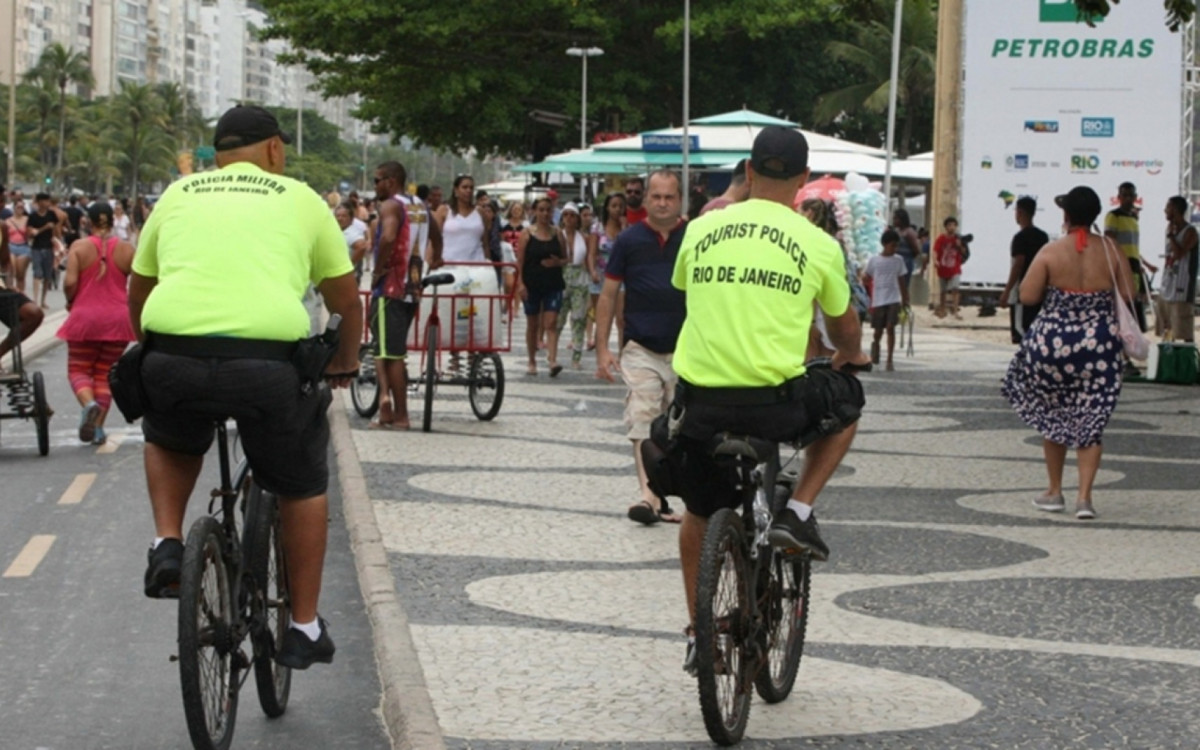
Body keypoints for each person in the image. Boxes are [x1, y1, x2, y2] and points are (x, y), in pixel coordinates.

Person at [129, 105, 361, 670]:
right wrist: (345, 363)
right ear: (276, 150)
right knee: (302, 482)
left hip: (174, 356)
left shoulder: (179, 194)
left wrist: (153, 347)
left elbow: (140, 287)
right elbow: (345, 300)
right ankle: (303, 627)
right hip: (266, 368)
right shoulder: (302, 198)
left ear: (217, 152)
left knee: (169, 432)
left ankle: (167, 542)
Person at [665, 126, 868, 672]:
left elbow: (684, 286)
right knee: (847, 399)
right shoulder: (817, 243)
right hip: (776, 403)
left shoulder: (701, 229)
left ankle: (698, 632)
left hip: (701, 402)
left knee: (698, 513)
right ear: (803, 182)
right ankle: (798, 511)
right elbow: (844, 328)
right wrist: (849, 355)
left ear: (749, 172)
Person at [1002, 186, 1133, 521]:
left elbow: (1029, 296)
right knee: (1091, 420)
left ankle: (1054, 491)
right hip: (1099, 345)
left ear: (1066, 215)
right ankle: (1085, 499)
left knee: (1054, 414)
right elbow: (1130, 293)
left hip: (1053, 344)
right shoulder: (1110, 250)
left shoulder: (1051, 250)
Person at [595, 170, 687, 525]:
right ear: (646, 199)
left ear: (679, 200)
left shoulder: (693, 237)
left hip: (687, 349)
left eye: (669, 197)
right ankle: (648, 496)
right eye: (656, 196)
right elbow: (608, 294)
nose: (662, 203)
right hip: (641, 347)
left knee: (679, 426)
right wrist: (603, 349)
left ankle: (669, 498)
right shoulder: (629, 241)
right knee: (643, 417)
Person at [56, 202, 136, 445]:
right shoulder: (126, 250)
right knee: (104, 373)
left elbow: (70, 283)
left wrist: (71, 300)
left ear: (88, 221)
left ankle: (88, 404)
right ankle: (99, 428)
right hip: (118, 320)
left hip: (85, 319)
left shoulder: (79, 248)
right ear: (113, 221)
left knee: (79, 369)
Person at [368, 161, 417, 430]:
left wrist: (377, 270)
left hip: (391, 288)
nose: (375, 186)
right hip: (411, 289)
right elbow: (434, 234)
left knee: (392, 354)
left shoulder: (390, 206)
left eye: (377, 180)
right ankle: (387, 408)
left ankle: (400, 415)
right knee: (386, 349)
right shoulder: (417, 204)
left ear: (391, 180)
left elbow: (387, 237)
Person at [515, 197, 566, 375]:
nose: (545, 214)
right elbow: (520, 261)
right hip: (532, 282)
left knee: (551, 322)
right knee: (533, 323)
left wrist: (557, 262)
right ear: (535, 211)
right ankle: (531, 360)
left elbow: (566, 258)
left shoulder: (558, 233)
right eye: (542, 210)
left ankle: (552, 360)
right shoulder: (527, 234)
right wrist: (520, 283)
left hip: (553, 283)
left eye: (548, 210)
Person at [1001, 196, 1051, 343]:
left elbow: (1018, 264)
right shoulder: (1042, 237)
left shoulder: (1020, 238)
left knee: (1020, 330)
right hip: (1038, 289)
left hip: (1021, 291)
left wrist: (1007, 290)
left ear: (1020, 212)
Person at [548, 203, 591, 372]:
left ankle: (577, 356)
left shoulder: (584, 237)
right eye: (565, 215)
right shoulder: (558, 236)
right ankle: (552, 356)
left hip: (579, 279)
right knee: (558, 319)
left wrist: (591, 276)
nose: (569, 219)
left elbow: (588, 260)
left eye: (572, 215)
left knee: (579, 319)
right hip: (562, 279)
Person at [864, 229, 910, 371]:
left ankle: (890, 358)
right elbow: (866, 278)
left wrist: (905, 299)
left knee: (891, 328)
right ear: (884, 244)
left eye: (896, 246)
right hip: (878, 299)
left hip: (893, 299)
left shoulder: (898, 261)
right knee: (878, 330)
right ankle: (875, 347)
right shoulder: (874, 261)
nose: (894, 249)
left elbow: (902, 281)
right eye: (892, 245)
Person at [1104, 182, 1146, 332]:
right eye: (1124, 195)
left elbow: (1134, 247)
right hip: (1119, 268)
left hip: (1133, 267)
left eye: (1131, 195)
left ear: (1135, 197)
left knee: (1131, 308)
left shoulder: (1134, 219)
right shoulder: (1113, 216)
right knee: (1119, 308)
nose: (1128, 198)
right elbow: (1110, 242)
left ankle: (1128, 348)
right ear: (1119, 197)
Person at [587, 193, 626, 350]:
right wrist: (592, 271)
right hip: (601, 275)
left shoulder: (627, 229)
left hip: (621, 276)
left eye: (620, 206)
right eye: (614, 206)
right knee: (603, 319)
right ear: (607, 208)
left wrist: (623, 228)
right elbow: (591, 253)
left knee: (621, 319)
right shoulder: (597, 228)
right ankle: (602, 353)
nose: (617, 209)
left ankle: (622, 355)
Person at [1157, 195, 1198, 342]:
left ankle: (1186, 361)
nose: (1165, 210)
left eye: (1168, 207)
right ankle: (1168, 360)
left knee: (1182, 331)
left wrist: (1172, 236)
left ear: (1175, 209)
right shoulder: (1170, 228)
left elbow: (1180, 254)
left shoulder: (1190, 232)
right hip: (1168, 284)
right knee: (1166, 330)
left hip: (1182, 288)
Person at [436, 175, 488, 263]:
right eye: (464, 187)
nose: (468, 190)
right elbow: (435, 240)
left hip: (477, 265)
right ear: (456, 190)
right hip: (449, 263)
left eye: (471, 188)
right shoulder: (444, 210)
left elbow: (485, 243)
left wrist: (488, 262)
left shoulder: (480, 212)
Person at [26, 193, 58, 309]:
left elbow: (55, 229)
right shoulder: (33, 216)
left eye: (48, 200)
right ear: (39, 202)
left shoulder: (52, 214)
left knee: (47, 275)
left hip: (49, 247)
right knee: (37, 273)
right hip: (37, 247)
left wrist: (58, 243)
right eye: (44, 200)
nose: (47, 203)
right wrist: (44, 227)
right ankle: (35, 300)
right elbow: (30, 232)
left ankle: (43, 300)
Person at [933, 216, 965, 319]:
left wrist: (959, 245)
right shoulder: (941, 238)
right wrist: (935, 260)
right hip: (943, 268)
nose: (952, 227)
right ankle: (943, 309)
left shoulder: (958, 238)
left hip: (955, 267)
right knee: (943, 290)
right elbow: (935, 250)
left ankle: (955, 310)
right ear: (946, 227)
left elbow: (964, 252)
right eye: (949, 225)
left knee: (955, 289)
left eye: (953, 225)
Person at [335, 203, 370, 286]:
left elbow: (362, 247)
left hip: (345, 277)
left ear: (351, 219)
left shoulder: (350, 232)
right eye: (338, 216)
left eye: (344, 216)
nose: (340, 218)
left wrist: (349, 266)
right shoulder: (338, 231)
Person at [5, 199, 32, 293]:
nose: (20, 209)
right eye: (18, 207)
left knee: (20, 274)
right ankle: (10, 291)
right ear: (14, 208)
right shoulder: (8, 221)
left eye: (22, 207)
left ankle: (21, 294)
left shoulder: (27, 220)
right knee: (11, 271)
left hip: (23, 247)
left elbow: (31, 233)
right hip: (11, 246)